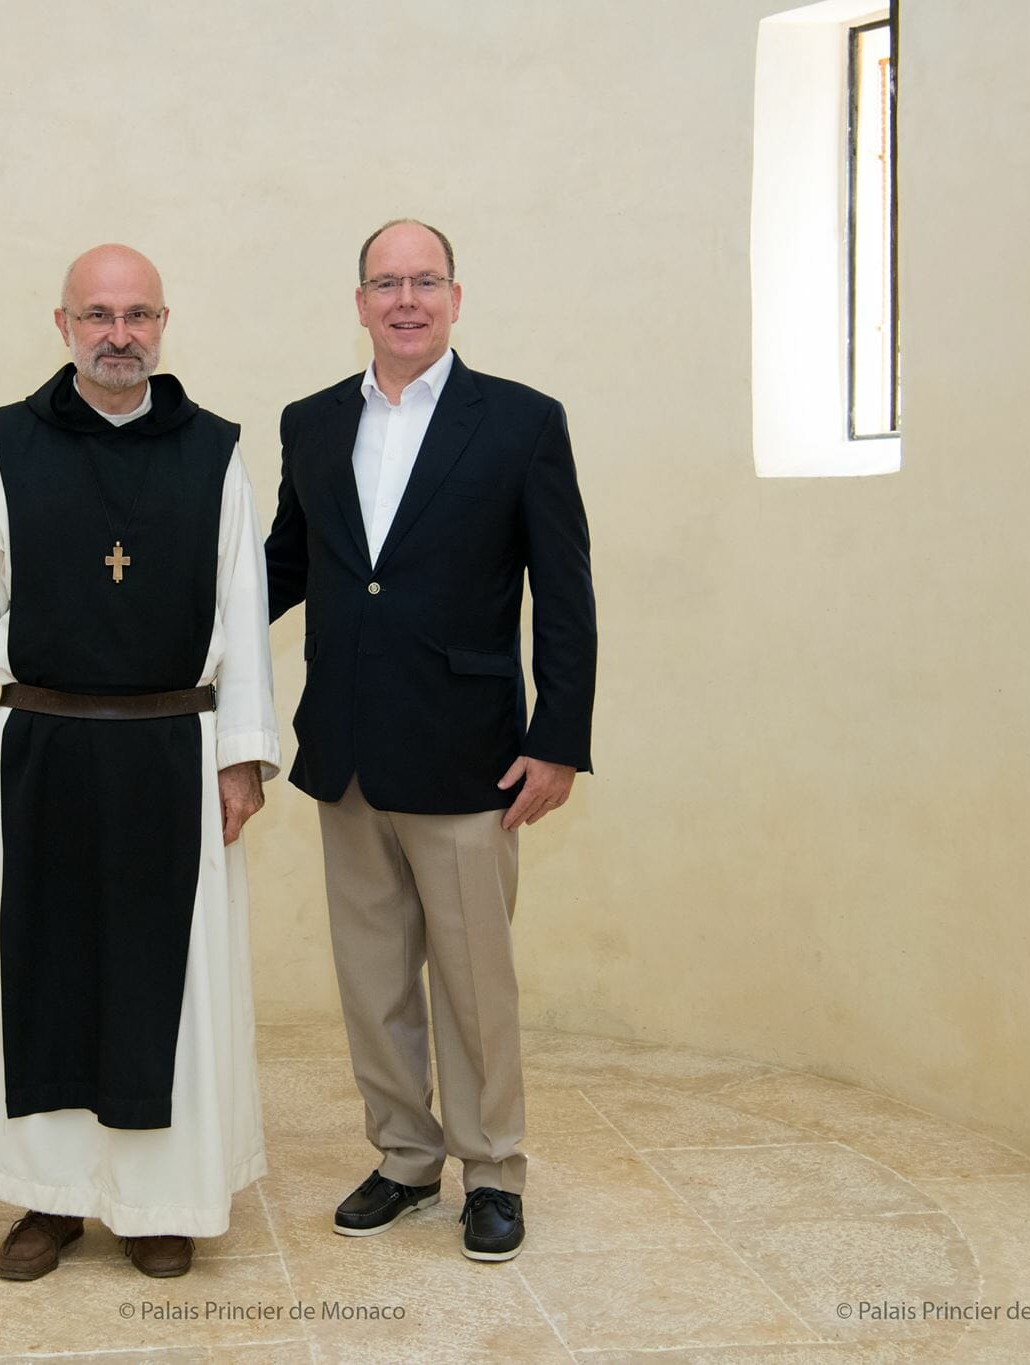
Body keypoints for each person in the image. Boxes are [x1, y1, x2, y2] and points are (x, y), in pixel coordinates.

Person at [0, 244, 278, 1281]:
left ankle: (157, 1202)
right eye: (96, 315)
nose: (117, 334)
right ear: (62, 325)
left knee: (160, 988)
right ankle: (47, 1202)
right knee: (44, 973)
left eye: (137, 315)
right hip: (41, 751)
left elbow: (241, 613)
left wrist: (243, 756)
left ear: (163, 324)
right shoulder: (4, 447)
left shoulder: (212, 452)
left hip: (175, 750)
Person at [264, 219, 597, 1262]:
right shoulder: (312, 423)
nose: (403, 300)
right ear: (357, 303)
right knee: (370, 976)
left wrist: (558, 739)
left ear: (454, 297)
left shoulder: (520, 422)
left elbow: (564, 593)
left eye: (423, 282)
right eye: (383, 284)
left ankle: (490, 1169)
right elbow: (288, 566)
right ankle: (403, 1158)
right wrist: (168, 632)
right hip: (347, 748)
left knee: (470, 980)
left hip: (468, 756)